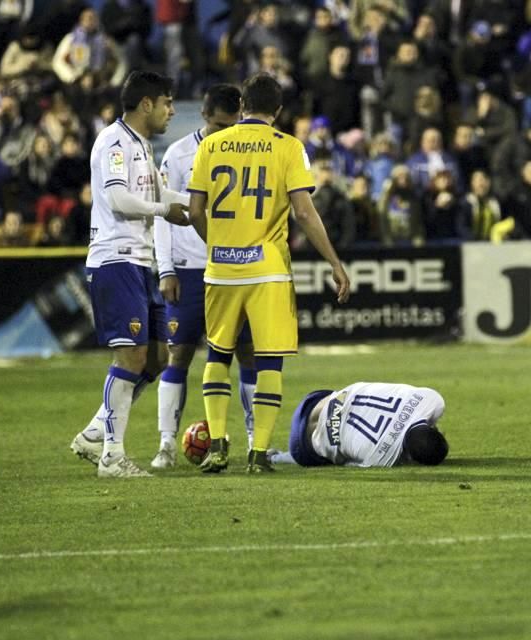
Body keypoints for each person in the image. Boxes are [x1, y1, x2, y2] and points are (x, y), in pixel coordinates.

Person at [187, 74, 351, 474]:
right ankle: (258, 454)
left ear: (242, 105)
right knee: (269, 362)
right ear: (277, 112)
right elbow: (305, 213)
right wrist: (334, 261)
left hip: (222, 269)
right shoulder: (289, 147)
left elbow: (194, 211)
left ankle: (218, 447)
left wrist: (219, 245)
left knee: (217, 355)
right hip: (268, 271)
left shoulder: (210, 145)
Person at [69, 70, 190, 478]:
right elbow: (119, 199)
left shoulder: (141, 146)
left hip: (140, 262)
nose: (172, 111)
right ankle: (111, 456)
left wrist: (202, 204)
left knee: (156, 357)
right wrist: (163, 212)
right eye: (167, 103)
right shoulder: (114, 142)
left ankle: (92, 433)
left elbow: (158, 195)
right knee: (132, 354)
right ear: (146, 104)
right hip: (115, 258)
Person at [150, 84, 257, 470]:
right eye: (217, 126)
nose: (224, 133)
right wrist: (165, 269)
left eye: (232, 126)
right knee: (178, 354)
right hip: (191, 270)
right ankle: (165, 445)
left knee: (247, 352)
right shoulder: (179, 156)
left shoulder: (251, 153)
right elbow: (163, 213)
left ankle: (252, 441)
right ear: (205, 117)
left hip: (237, 268)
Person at [268, 382, 448, 468]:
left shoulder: (430, 399)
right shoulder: (381, 458)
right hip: (303, 445)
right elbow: (345, 463)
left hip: (316, 401)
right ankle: (278, 458)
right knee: (332, 455)